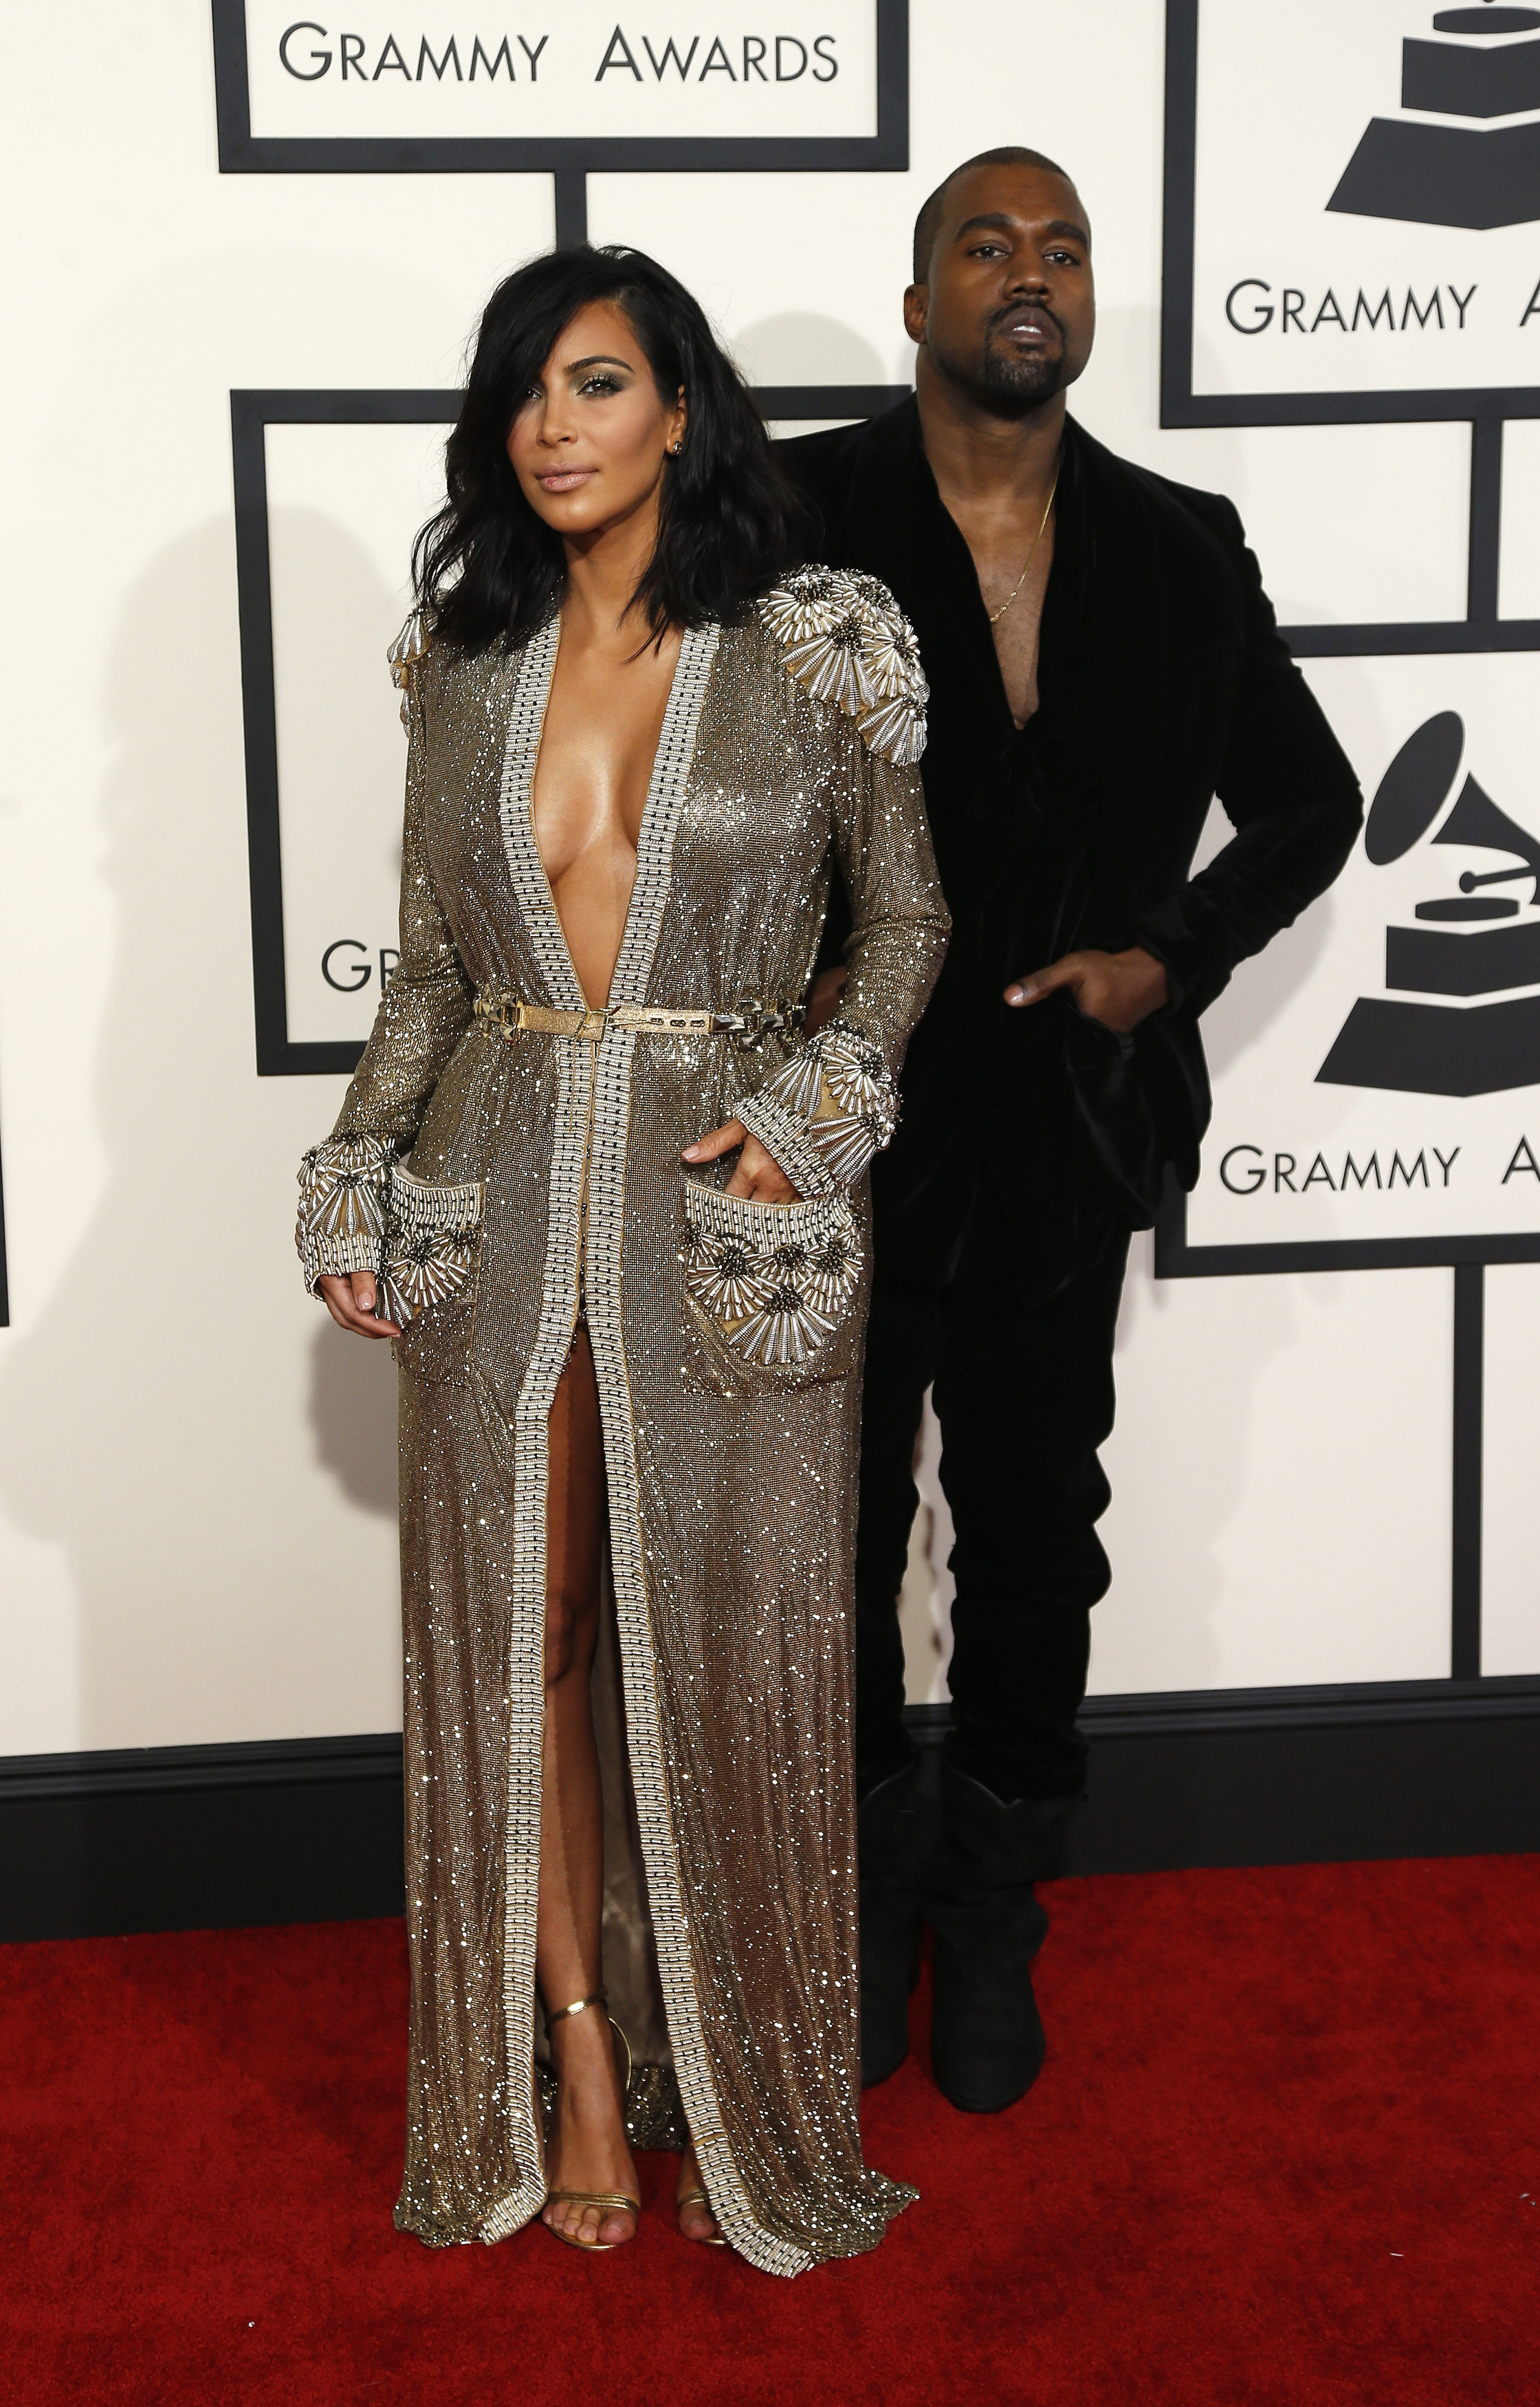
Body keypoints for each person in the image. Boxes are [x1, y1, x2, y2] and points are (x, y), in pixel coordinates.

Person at [293, 244, 947, 2272]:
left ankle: (748, 2077)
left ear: (680, 408)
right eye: (524, 391)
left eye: (595, 383)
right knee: (536, 1637)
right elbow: (429, 971)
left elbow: (909, 923)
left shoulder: (817, 645)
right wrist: (353, 1169)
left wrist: (816, 1110)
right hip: (497, 1197)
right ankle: (575, 2046)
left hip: (722, 1212)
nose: (553, 426)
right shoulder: (462, 660)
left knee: (735, 1643)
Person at [780, 149, 1363, 2113]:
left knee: (1037, 1540)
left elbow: (1312, 801)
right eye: (987, 245)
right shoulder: (794, 521)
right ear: (921, 298)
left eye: (1064, 249)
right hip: (838, 1141)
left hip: (1069, 1139)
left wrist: (1166, 961)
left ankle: (994, 1907)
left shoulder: (1181, 546)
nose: (1030, 275)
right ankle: (864, 1889)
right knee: (833, 1545)